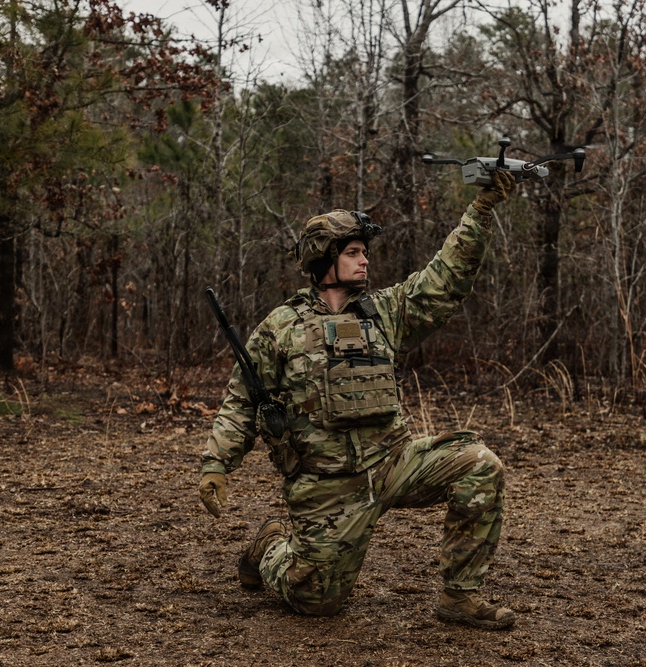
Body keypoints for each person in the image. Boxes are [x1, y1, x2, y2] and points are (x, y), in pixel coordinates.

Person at [198, 169, 517, 629]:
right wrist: (217, 464)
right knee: (317, 604)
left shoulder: (384, 311)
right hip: (327, 485)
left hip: (393, 462)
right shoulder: (280, 327)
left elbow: (444, 282)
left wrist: (480, 212)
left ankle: (459, 596)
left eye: (365, 252)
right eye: (352, 252)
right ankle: (269, 547)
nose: (364, 261)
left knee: (480, 464)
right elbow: (242, 401)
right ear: (323, 259)